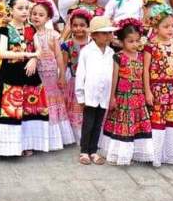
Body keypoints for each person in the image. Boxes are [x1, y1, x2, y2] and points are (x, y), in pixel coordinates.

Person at [0, 0, 49, 157]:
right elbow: (4, 53)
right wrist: (29, 54)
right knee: (10, 109)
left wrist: (34, 59)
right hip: (10, 73)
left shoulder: (31, 29)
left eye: (27, 8)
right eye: (20, 8)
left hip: (29, 74)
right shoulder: (3, 30)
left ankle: (26, 143)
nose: (25, 11)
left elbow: (39, 49)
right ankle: (5, 146)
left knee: (28, 109)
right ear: (11, 10)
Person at [100, 19, 154, 166]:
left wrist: (146, 92)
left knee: (136, 125)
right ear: (122, 41)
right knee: (124, 124)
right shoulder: (118, 57)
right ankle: (120, 153)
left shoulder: (142, 56)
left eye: (137, 41)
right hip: (123, 97)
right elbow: (114, 78)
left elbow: (144, 76)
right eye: (130, 41)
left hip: (138, 96)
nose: (135, 45)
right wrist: (112, 97)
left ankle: (137, 152)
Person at [144, 4, 173, 167]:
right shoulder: (150, 45)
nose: (171, 29)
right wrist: (148, 91)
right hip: (157, 90)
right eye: (166, 26)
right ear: (155, 27)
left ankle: (172, 154)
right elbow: (146, 70)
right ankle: (156, 156)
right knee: (158, 121)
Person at [74, 16, 116, 165]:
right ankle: (84, 151)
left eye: (109, 33)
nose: (108, 36)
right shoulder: (87, 51)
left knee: (98, 123)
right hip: (90, 94)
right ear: (93, 35)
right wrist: (80, 96)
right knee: (88, 123)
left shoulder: (111, 53)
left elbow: (112, 74)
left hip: (103, 94)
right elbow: (81, 74)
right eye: (104, 33)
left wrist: (112, 95)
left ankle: (93, 150)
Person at [33, 0, 73, 150]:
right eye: (34, 13)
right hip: (37, 73)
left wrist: (62, 75)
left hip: (51, 74)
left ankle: (56, 136)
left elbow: (58, 56)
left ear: (48, 18)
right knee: (41, 100)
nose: (36, 17)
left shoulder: (53, 34)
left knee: (52, 100)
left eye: (41, 14)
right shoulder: (31, 34)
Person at [60, 9, 91, 141]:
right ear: (70, 27)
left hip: (91, 82)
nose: (78, 28)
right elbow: (64, 62)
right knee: (76, 107)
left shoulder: (92, 43)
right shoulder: (68, 45)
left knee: (90, 107)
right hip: (74, 81)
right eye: (75, 25)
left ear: (88, 27)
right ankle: (78, 135)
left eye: (82, 25)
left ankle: (91, 133)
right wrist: (61, 77)